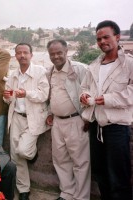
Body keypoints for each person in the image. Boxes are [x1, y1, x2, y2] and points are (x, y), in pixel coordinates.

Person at [80, 20, 133, 200]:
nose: (102, 41)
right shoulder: (94, 66)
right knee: (101, 175)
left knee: (119, 178)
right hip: (96, 127)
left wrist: (107, 100)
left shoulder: (129, 64)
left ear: (117, 37)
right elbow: (84, 87)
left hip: (117, 128)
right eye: (99, 39)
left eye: (106, 37)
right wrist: (84, 95)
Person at [3, 43, 49, 200]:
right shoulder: (13, 75)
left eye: (25, 53)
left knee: (23, 151)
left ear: (31, 55)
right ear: (15, 55)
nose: (22, 55)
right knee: (15, 156)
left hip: (33, 117)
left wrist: (26, 94)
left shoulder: (40, 72)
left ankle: (32, 153)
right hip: (16, 116)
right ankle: (24, 190)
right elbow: (8, 99)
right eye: (19, 53)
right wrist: (7, 96)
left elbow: (44, 95)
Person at [45, 39, 90, 200]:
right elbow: (52, 96)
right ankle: (67, 193)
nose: (56, 56)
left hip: (76, 121)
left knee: (80, 161)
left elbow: (90, 92)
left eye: (59, 53)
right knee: (60, 160)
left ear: (66, 52)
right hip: (57, 122)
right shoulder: (50, 72)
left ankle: (82, 197)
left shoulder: (80, 69)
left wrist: (87, 117)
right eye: (52, 54)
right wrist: (50, 113)